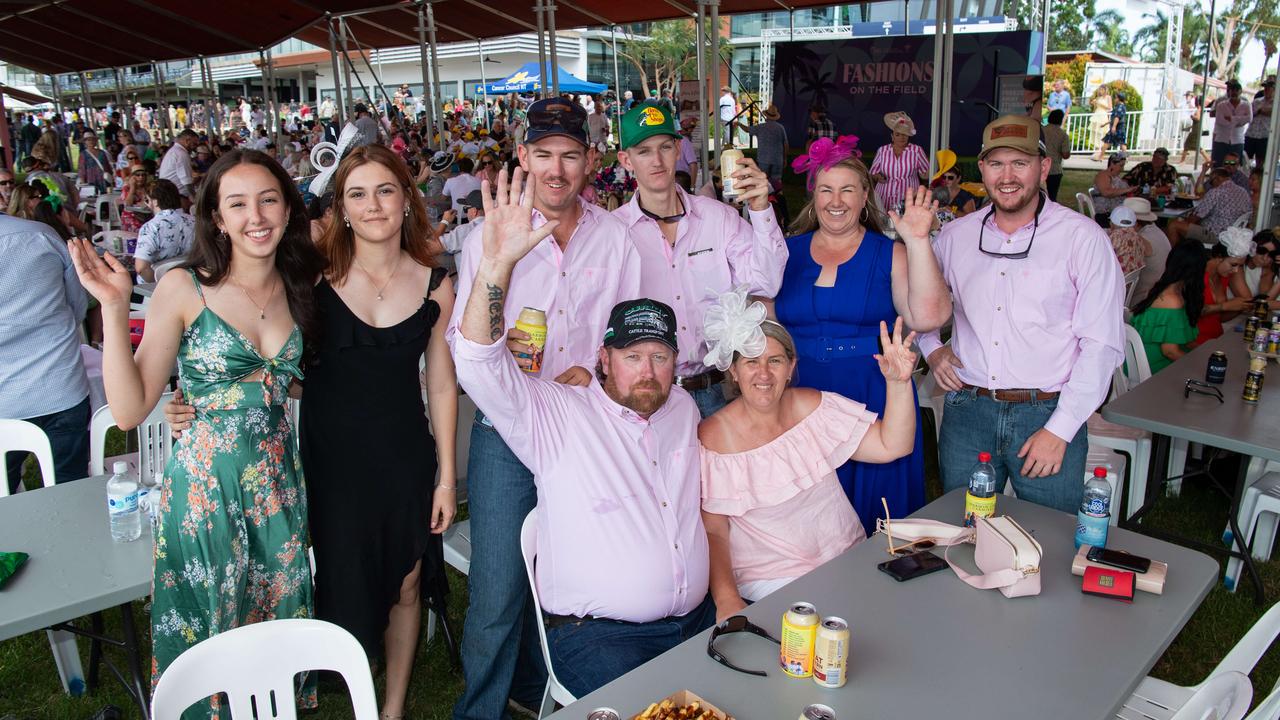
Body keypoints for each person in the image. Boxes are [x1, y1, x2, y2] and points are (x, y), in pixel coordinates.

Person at [67, 149, 324, 712]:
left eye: (268, 199)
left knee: (272, 622)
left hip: (277, 486)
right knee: (213, 622)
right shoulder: (185, 287)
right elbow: (131, 409)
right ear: (216, 217)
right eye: (237, 204)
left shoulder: (300, 282)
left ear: (287, 209)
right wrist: (113, 309)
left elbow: (295, 380)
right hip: (206, 493)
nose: (255, 216)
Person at [453, 169, 713, 697]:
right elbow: (477, 363)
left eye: (660, 357)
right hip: (601, 640)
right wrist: (498, 264)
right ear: (603, 357)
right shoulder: (559, 413)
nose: (647, 371)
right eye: (632, 356)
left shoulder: (682, 408)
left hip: (695, 622)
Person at [446, 97, 640, 720]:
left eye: (571, 155)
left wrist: (601, 368)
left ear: (591, 161)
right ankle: (481, 711)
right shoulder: (489, 235)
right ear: (525, 157)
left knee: (562, 579)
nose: (557, 169)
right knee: (498, 588)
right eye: (545, 154)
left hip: (582, 430)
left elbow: (631, 335)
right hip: (508, 427)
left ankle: (534, 697)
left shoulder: (616, 239)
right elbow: (465, 342)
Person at [920, 114, 1125, 513]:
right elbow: (917, 306)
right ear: (982, 169)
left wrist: (1061, 429)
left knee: (1050, 537)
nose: (1007, 176)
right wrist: (932, 347)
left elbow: (1101, 345)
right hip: (968, 409)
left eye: (1021, 163)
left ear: (1044, 167)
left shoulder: (1081, 238)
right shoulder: (955, 237)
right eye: (996, 163)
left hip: (1046, 411)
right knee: (964, 528)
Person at [699, 298, 917, 616]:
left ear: (790, 367)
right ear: (734, 371)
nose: (763, 373)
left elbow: (892, 445)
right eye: (750, 362)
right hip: (774, 582)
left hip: (848, 557)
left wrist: (898, 384)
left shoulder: (812, 406)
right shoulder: (713, 436)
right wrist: (728, 600)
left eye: (774, 361)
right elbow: (714, 532)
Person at [774, 138, 951, 530]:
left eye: (847, 190)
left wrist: (918, 240)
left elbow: (930, 315)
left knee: (875, 510)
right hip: (800, 394)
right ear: (813, 196)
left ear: (864, 195)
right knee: (806, 518)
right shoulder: (785, 253)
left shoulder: (889, 253)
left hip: (872, 390)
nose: (836, 201)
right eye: (826, 190)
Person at [612, 101, 787, 418]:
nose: (657, 160)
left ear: (678, 149)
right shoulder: (613, 232)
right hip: (651, 397)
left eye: (665, 146)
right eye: (644, 151)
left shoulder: (717, 217)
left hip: (719, 390)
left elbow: (767, 281)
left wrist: (761, 209)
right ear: (626, 160)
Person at [0, 213, 89, 493]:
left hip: (8, 399)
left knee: (4, 491)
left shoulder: (42, 234)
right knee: (70, 486)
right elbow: (77, 306)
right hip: (60, 382)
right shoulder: (42, 235)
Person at [1129, 242, 1206, 373]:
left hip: (1148, 361)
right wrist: (1201, 366)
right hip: (1152, 366)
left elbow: (1182, 341)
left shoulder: (1165, 288)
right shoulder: (1172, 300)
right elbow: (1170, 352)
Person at [1167, 168, 1252, 246]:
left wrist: (1185, 221)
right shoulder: (1243, 191)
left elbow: (1197, 216)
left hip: (1217, 234)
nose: (1211, 185)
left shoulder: (1216, 191)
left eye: (1211, 182)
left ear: (1217, 179)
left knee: (1174, 225)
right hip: (1234, 234)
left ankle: (1175, 257)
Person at [133, 179, 195, 282]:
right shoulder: (196, 222)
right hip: (192, 283)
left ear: (155, 202)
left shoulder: (151, 227)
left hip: (156, 291)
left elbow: (141, 268)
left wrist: (158, 284)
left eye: (147, 200)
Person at [869, 112, 929, 213]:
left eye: (905, 135)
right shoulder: (882, 150)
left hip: (908, 197)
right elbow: (872, 173)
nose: (901, 137)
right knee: (883, 223)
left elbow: (926, 174)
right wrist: (878, 177)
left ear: (909, 136)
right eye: (898, 134)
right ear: (892, 136)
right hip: (884, 196)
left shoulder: (916, 150)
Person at [1127, 197, 1172, 304]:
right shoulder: (1156, 231)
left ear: (1135, 222)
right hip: (1159, 293)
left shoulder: (1139, 239)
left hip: (1143, 300)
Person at [1211, 80, 1251, 165]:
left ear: (1240, 91)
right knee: (1218, 163)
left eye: (1236, 90)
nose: (1234, 92)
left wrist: (1231, 118)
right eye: (1232, 89)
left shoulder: (1246, 104)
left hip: (1237, 139)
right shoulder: (1221, 103)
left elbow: (1249, 119)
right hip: (1221, 138)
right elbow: (1220, 120)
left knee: (1234, 165)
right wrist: (1239, 121)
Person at [747, 104, 788, 185]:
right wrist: (785, 158)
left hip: (763, 159)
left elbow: (747, 129)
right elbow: (786, 144)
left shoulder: (760, 127)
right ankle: (777, 196)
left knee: (762, 180)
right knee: (777, 181)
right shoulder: (780, 128)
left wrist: (739, 124)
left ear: (766, 116)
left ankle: (765, 195)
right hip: (777, 159)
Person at [1106, 206, 1150, 275]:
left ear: (1111, 223)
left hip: (1115, 280)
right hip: (1131, 282)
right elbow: (1149, 252)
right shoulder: (1137, 236)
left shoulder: (1114, 236)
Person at [1092, 153, 1133, 226]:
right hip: (1105, 215)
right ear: (1112, 164)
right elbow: (1106, 192)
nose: (1122, 169)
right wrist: (1127, 190)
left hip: (1115, 213)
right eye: (1121, 166)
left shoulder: (1116, 178)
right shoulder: (1103, 175)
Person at [159, 129, 198, 205]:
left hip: (170, 193)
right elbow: (186, 181)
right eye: (194, 144)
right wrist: (195, 198)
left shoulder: (174, 151)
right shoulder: (181, 153)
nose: (195, 147)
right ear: (187, 141)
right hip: (176, 196)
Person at [1042, 109, 1072, 201]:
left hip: (1040, 167)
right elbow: (1065, 155)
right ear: (1060, 120)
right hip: (1054, 170)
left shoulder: (1041, 130)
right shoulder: (1063, 135)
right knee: (1052, 197)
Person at [1245, 79, 1274, 168]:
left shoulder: (1276, 103)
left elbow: (1272, 113)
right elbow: (1250, 114)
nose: (1266, 90)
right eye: (1265, 87)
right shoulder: (1257, 101)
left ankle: (1258, 179)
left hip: (1264, 135)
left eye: (1268, 88)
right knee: (1245, 157)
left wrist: (1263, 111)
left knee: (1260, 160)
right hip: (1251, 133)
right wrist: (1261, 111)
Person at [1179, 91, 1210, 165]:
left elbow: (1198, 119)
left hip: (1195, 130)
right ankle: (1207, 159)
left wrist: (1192, 116)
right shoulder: (1199, 109)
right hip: (1195, 129)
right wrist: (1188, 127)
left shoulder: (1198, 109)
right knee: (1195, 146)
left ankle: (1183, 161)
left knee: (1188, 145)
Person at [1090, 86, 1113, 161]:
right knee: (1095, 133)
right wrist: (1094, 103)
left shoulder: (1108, 97)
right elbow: (1096, 107)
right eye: (1099, 89)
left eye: (1102, 89)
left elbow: (1110, 108)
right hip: (1097, 114)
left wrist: (1100, 103)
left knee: (1102, 133)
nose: (1100, 91)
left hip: (1103, 115)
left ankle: (1100, 151)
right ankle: (1096, 150)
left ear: (1105, 90)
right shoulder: (1098, 98)